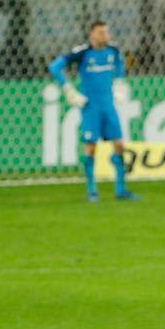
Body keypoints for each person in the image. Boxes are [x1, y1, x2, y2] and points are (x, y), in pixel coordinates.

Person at [48, 21, 139, 202]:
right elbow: (55, 66)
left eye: (106, 32)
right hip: (91, 107)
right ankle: (92, 191)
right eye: (100, 33)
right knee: (91, 147)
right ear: (91, 34)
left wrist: (120, 84)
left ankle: (121, 190)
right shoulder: (83, 53)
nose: (104, 36)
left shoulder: (113, 51)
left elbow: (121, 66)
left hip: (108, 106)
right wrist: (69, 89)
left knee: (119, 145)